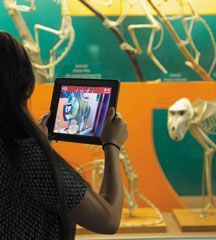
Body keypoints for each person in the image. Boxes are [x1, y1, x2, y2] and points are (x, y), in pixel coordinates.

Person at [0, 31, 128, 240]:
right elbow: (108, 219)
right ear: (25, 82)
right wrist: (112, 146)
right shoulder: (26, 156)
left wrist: (38, 145)